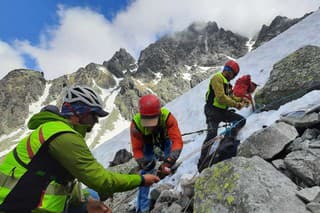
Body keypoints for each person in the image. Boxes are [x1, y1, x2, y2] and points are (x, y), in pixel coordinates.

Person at [0, 85, 160, 213]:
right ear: (78, 112)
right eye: (93, 115)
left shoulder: (53, 130)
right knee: (95, 193)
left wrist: (87, 201)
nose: (96, 121)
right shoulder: (64, 137)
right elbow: (102, 181)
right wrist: (141, 180)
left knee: (91, 196)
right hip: (20, 206)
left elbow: (65, 180)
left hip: (25, 200)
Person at [130, 94, 183, 213]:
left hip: (164, 137)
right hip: (147, 141)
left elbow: (177, 140)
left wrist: (169, 160)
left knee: (168, 153)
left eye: (152, 122)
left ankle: (167, 169)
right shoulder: (136, 125)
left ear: (159, 115)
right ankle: (142, 208)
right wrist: (143, 162)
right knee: (146, 173)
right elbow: (137, 149)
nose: (150, 127)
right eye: (147, 123)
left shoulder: (167, 117)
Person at [197, 60, 249, 172]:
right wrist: (236, 105)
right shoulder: (217, 78)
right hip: (212, 111)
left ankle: (227, 140)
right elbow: (221, 97)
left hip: (222, 111)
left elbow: (232, 96)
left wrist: (241, 100)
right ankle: (202, 163)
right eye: (231, 73)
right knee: (211, 135)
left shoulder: (227, 83)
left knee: (241, 120)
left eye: (232, 73)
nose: (231, 75)